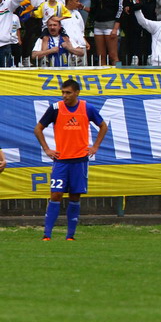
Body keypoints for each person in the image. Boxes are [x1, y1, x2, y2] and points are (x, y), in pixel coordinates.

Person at [34, 79, 109, 240]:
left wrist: (95, 147)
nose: (64, 96)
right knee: (56, 195)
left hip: (80, 161)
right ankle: (47, 234)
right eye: (62, 92)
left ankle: (70, 236)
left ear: (77, 93)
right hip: (61, 161)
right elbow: (38, 129)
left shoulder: (87, 108)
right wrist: (47, 149)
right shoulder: (55, 108)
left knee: (75, 196)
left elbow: (103, 126)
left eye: (68, 92)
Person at [91, 0, 123, 65]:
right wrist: (83, 7)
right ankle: (103, 78)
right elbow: (95, 8)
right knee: (101, 56)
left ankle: (118, 76)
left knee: (113, 55)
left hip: (110, 25)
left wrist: (115, 28)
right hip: (98, 25)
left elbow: (120, 9)